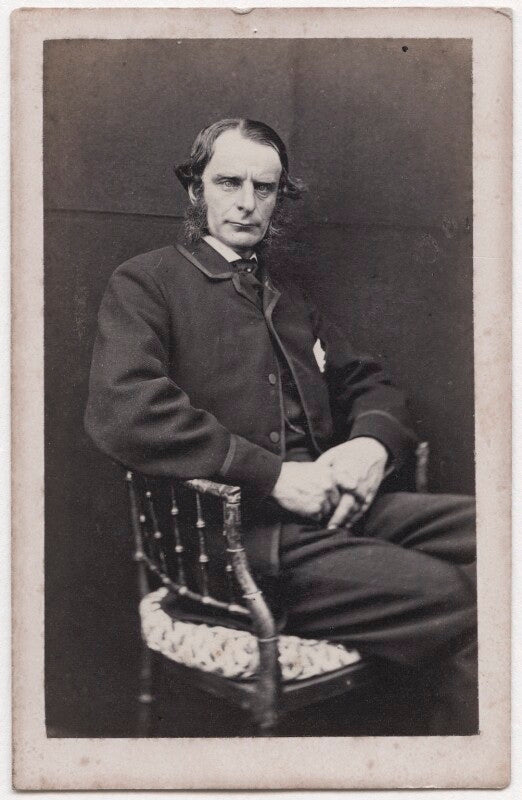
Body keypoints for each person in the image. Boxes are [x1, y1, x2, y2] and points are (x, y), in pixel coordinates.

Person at [85, 118, 477, 734]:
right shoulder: (146, 283)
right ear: (195, 189)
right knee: (454, 596)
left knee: (496, 534)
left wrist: (370, 446)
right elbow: (126, 409)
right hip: (233, 547)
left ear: (277, 198)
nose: (247, 202)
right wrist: (273, 476)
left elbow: (367, 381)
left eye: (263, 188)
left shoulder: (288, 298)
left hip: (330, 511)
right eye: (229, 182)